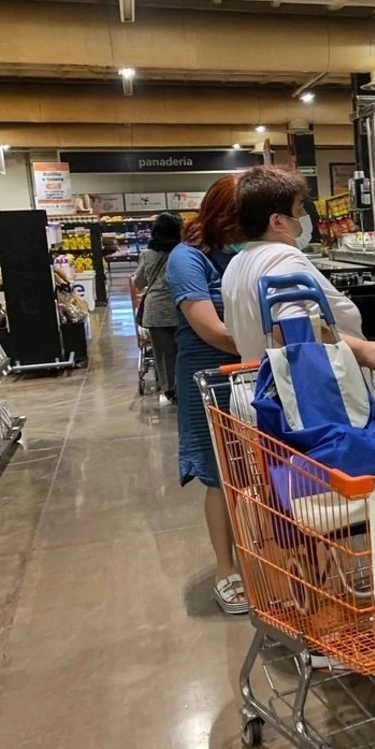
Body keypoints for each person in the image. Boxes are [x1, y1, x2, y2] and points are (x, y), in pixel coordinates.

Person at [223, 164, 375, 373]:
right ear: (278, 222)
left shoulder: (237, 263)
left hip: (260, 389)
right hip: (302, 395)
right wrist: (363, 350)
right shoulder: (282, 258)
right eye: (299, 210)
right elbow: (290, 328)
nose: (304, 218)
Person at [164, 177, 247, 615]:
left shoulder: (244, 252)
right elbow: (211, 329)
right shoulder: (186, 259)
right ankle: (224, 568)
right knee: (219, 474)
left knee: (256, 469)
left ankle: (258, 556)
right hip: (209, 379)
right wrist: (275, 341)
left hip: (253, 373)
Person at [131, 211, 181, 405]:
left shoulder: (147, 254)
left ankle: (169, 390)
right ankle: (184, 385)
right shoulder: (183, 252)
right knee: (182, 349)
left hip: (155, 310)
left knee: (162, 353)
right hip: (180, 307)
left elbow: (139, 283)